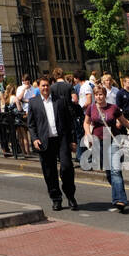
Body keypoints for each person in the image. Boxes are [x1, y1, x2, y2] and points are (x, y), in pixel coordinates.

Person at [85, 81, 129, 212]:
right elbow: (86, 123)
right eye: (97, 95)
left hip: (113, 141)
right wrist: (88, 134)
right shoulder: (91, 108)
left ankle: (120, 200)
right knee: (110, 173)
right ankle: (118, 191)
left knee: (116, 170)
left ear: (105, 95)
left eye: (101, 94)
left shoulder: (113, 108)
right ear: (94, 96)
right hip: (98, 143)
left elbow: (125, 122)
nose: (99, 97)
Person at [26, 76, 78, 210]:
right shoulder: (33, 102)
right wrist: (35, 138)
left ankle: (70, 196)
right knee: (49, 172)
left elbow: (69, 121)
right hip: (44, 141)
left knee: (66, 167)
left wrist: (72, 140)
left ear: (50, 86)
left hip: (61, 140)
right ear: (39, 87)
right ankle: (56, 198)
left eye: (47, 85)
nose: (45, 88)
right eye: (42, 86)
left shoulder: (60, 100)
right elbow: (31, 124)